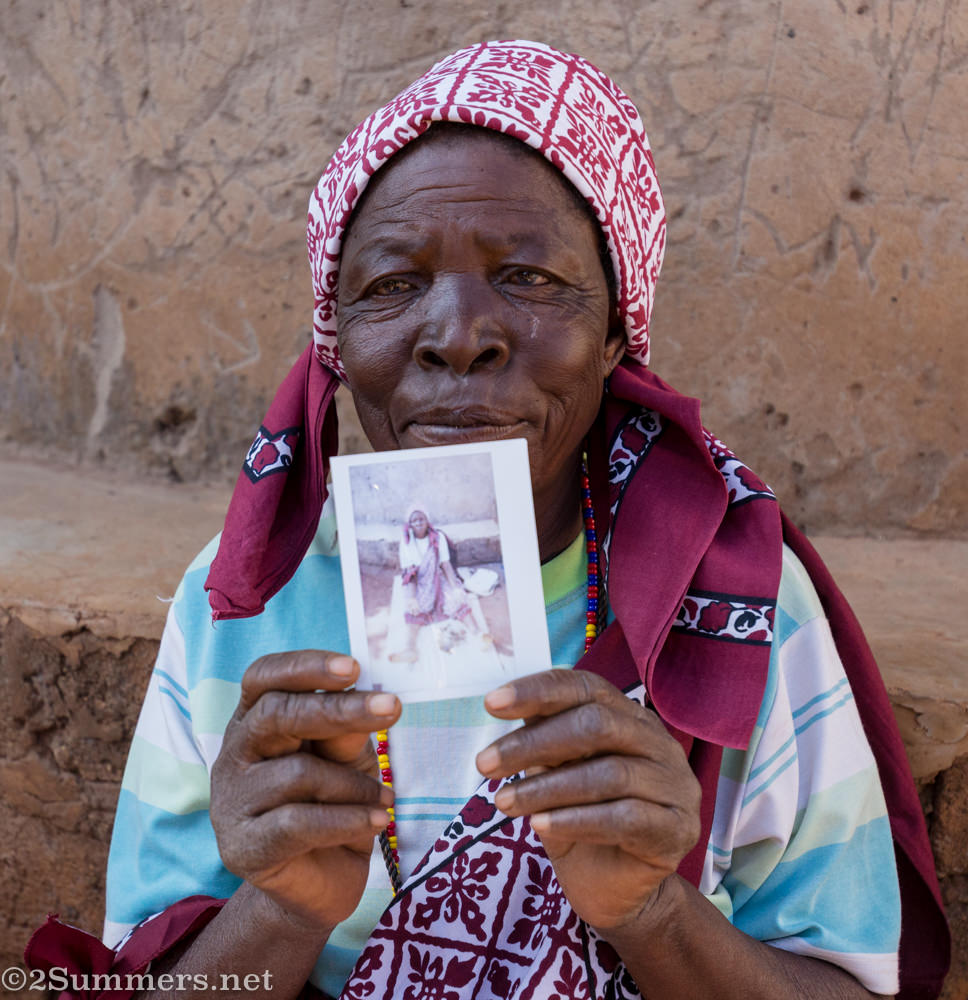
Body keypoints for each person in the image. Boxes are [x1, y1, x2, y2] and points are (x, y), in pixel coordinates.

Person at [26, 40, 948, 1000]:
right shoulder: (245, 612)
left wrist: (654, 912)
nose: (459, 335)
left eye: (529, 278)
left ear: (616, 334)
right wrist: (283, 909)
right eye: (391, 286)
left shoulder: (743, 604)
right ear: (335, 344)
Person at [390, 504, 490, 663]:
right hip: (417, 580)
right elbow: (409, 573)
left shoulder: (438, 537)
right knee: (415, 608)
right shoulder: (406, 541)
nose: (418, 523)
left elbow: (445, 565)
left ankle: (479, 635)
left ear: (427, 520)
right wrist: (412, 598)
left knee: (457, 600)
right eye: (414, 520)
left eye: (421, 518)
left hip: (437, 577)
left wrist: (456, 587)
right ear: (409, 524)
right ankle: (410, 649)